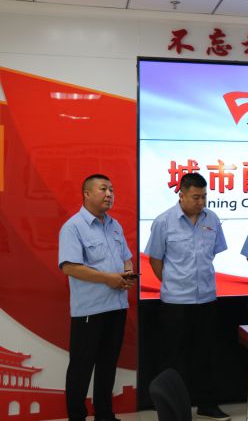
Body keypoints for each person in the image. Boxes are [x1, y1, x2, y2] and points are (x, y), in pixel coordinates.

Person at [144, 172, 229, 421]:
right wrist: (173, 282)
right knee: (173, 356)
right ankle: (170, 407)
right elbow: (155, 259)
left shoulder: (212, 218)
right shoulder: (163, 222)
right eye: (196, 197)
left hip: (207, 299)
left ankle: (207, 404)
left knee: (206, 354)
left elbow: (214, 252)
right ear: (181, 195)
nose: (201, 202)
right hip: (175, 302)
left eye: (204, 197)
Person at [58, 174, 136, 421]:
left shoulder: (114, 225)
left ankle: (104, 414)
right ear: (87, 193)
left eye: (112, 190)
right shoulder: (73, 227)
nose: (109, 194)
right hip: (89, 311)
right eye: (103, 189)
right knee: (81, 368)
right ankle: (77, 416)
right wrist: (108, 278)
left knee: (108, 365)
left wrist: (127, 274)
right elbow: (69, 267)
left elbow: (126, 257)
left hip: (117, 306)